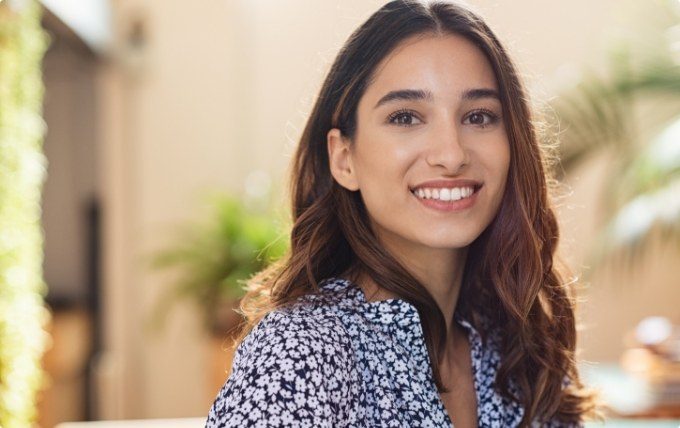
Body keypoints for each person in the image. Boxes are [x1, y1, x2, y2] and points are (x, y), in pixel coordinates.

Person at [205, 0, 599, 427]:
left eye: (479, 116)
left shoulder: (519, 347)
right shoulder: (300, 352)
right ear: (344, 158)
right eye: (406, 116)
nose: (451, 154)